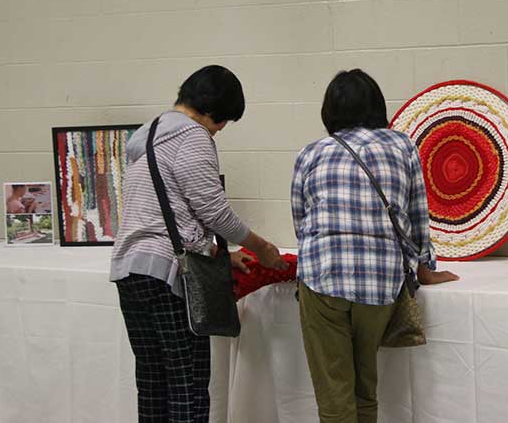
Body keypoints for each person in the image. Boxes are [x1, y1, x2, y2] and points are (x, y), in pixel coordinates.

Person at [110, 65, 288, 423]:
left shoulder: (147, 136)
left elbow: (174, 211)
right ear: (210, 109)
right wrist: (262, 247)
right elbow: (212, 209)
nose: (221, 130)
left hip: (130, 271)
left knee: (152, 382)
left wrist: (222, 257)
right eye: (223, 121)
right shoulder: (191, 136)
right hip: (166, 277)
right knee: (187, 385)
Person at [291, 69, 459, 423]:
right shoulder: (402, 146)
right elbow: (417, 217)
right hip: (380, 283)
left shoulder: (310, 153)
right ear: (377, 106)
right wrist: (426, 269)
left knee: (334, 394)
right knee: (365, 388)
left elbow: (301, 223)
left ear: (329, 111)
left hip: (322, 279)